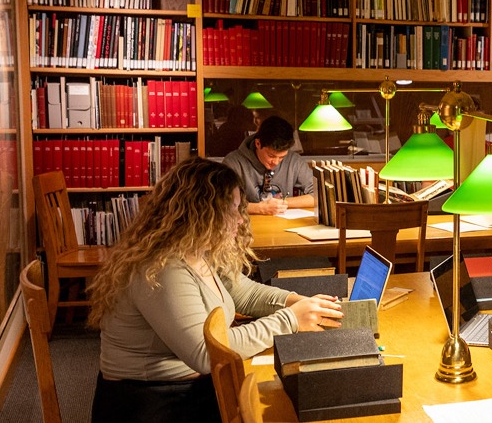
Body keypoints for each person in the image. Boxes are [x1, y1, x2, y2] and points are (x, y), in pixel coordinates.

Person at [85, 158, 345, 423]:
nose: (241, 220)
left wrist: (295, 302)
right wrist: (290, 320)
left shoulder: (196, 248)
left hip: (186, 388)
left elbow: (244, 293)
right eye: (233, 210)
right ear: (201, 212)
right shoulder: (162, 268)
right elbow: (206, 353)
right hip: (153, 403)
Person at [222, 116, 317, 215]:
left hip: (284, 226)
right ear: (258, 143)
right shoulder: (233, 163)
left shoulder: (294, 161)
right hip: (244, 226)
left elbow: (318, 195)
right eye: (271, 155)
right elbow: (222, 203)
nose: (276, 162)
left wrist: (282, 203)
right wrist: (259, 208)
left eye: (281, 157)